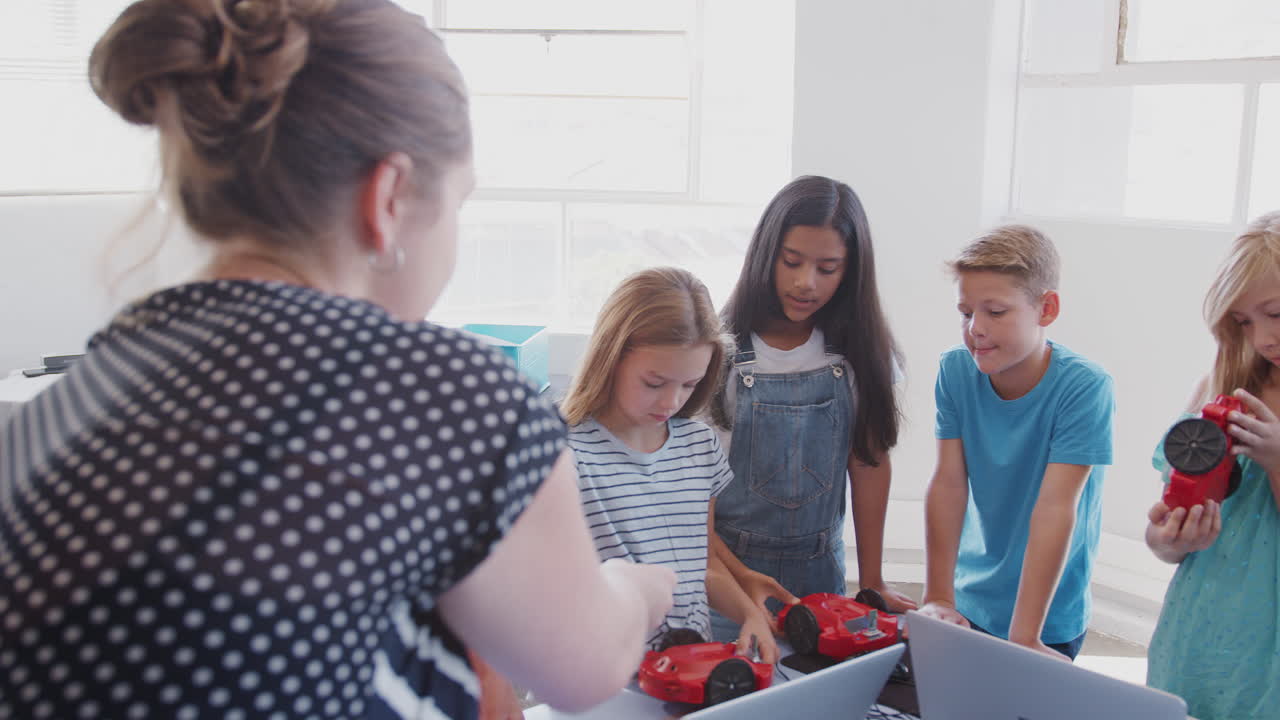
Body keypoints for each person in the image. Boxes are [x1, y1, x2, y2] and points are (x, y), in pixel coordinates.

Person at [0, 1, 675, 719]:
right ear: (387, 199)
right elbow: (588, 668)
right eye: (458, 203)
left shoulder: (67, 401)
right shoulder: (440, 391)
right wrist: (636, 586)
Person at [706, 175, 915, 645]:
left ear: (852, 271)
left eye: (828, 267)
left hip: (821, 577)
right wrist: (736, 585)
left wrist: (873, 579)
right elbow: (698, 497)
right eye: (792, 262)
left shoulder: (862, 353)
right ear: (766, 255)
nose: (806, 283)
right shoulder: (720, 353)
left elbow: (869, 462)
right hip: (730, 584)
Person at [560, 267, 786, 663]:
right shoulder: (563, 453)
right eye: (654, 382)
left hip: (692, 667)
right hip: (597, 675)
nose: (671, 403)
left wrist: (751, 615)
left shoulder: (699, 446)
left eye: (689, 385)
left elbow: (704, 562)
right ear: (611, 356)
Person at [918, 224, 1114, 661]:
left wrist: (1026, 635)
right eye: (966, 313)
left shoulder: (1086, 387)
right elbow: (949, 483)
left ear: (1047, 309)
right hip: (971, 598)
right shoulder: (954, 371)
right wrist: (939, 597)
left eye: (996, 312)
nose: (976, 329)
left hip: (1046, 614)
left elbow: (1055, 507)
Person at [1144, 211, 1280, 719]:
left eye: (1277, 313)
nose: (1264, 338)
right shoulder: (1219, 390)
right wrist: (1171, 539)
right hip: (1202, 631)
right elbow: (1166, 533)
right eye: (1245, 321)